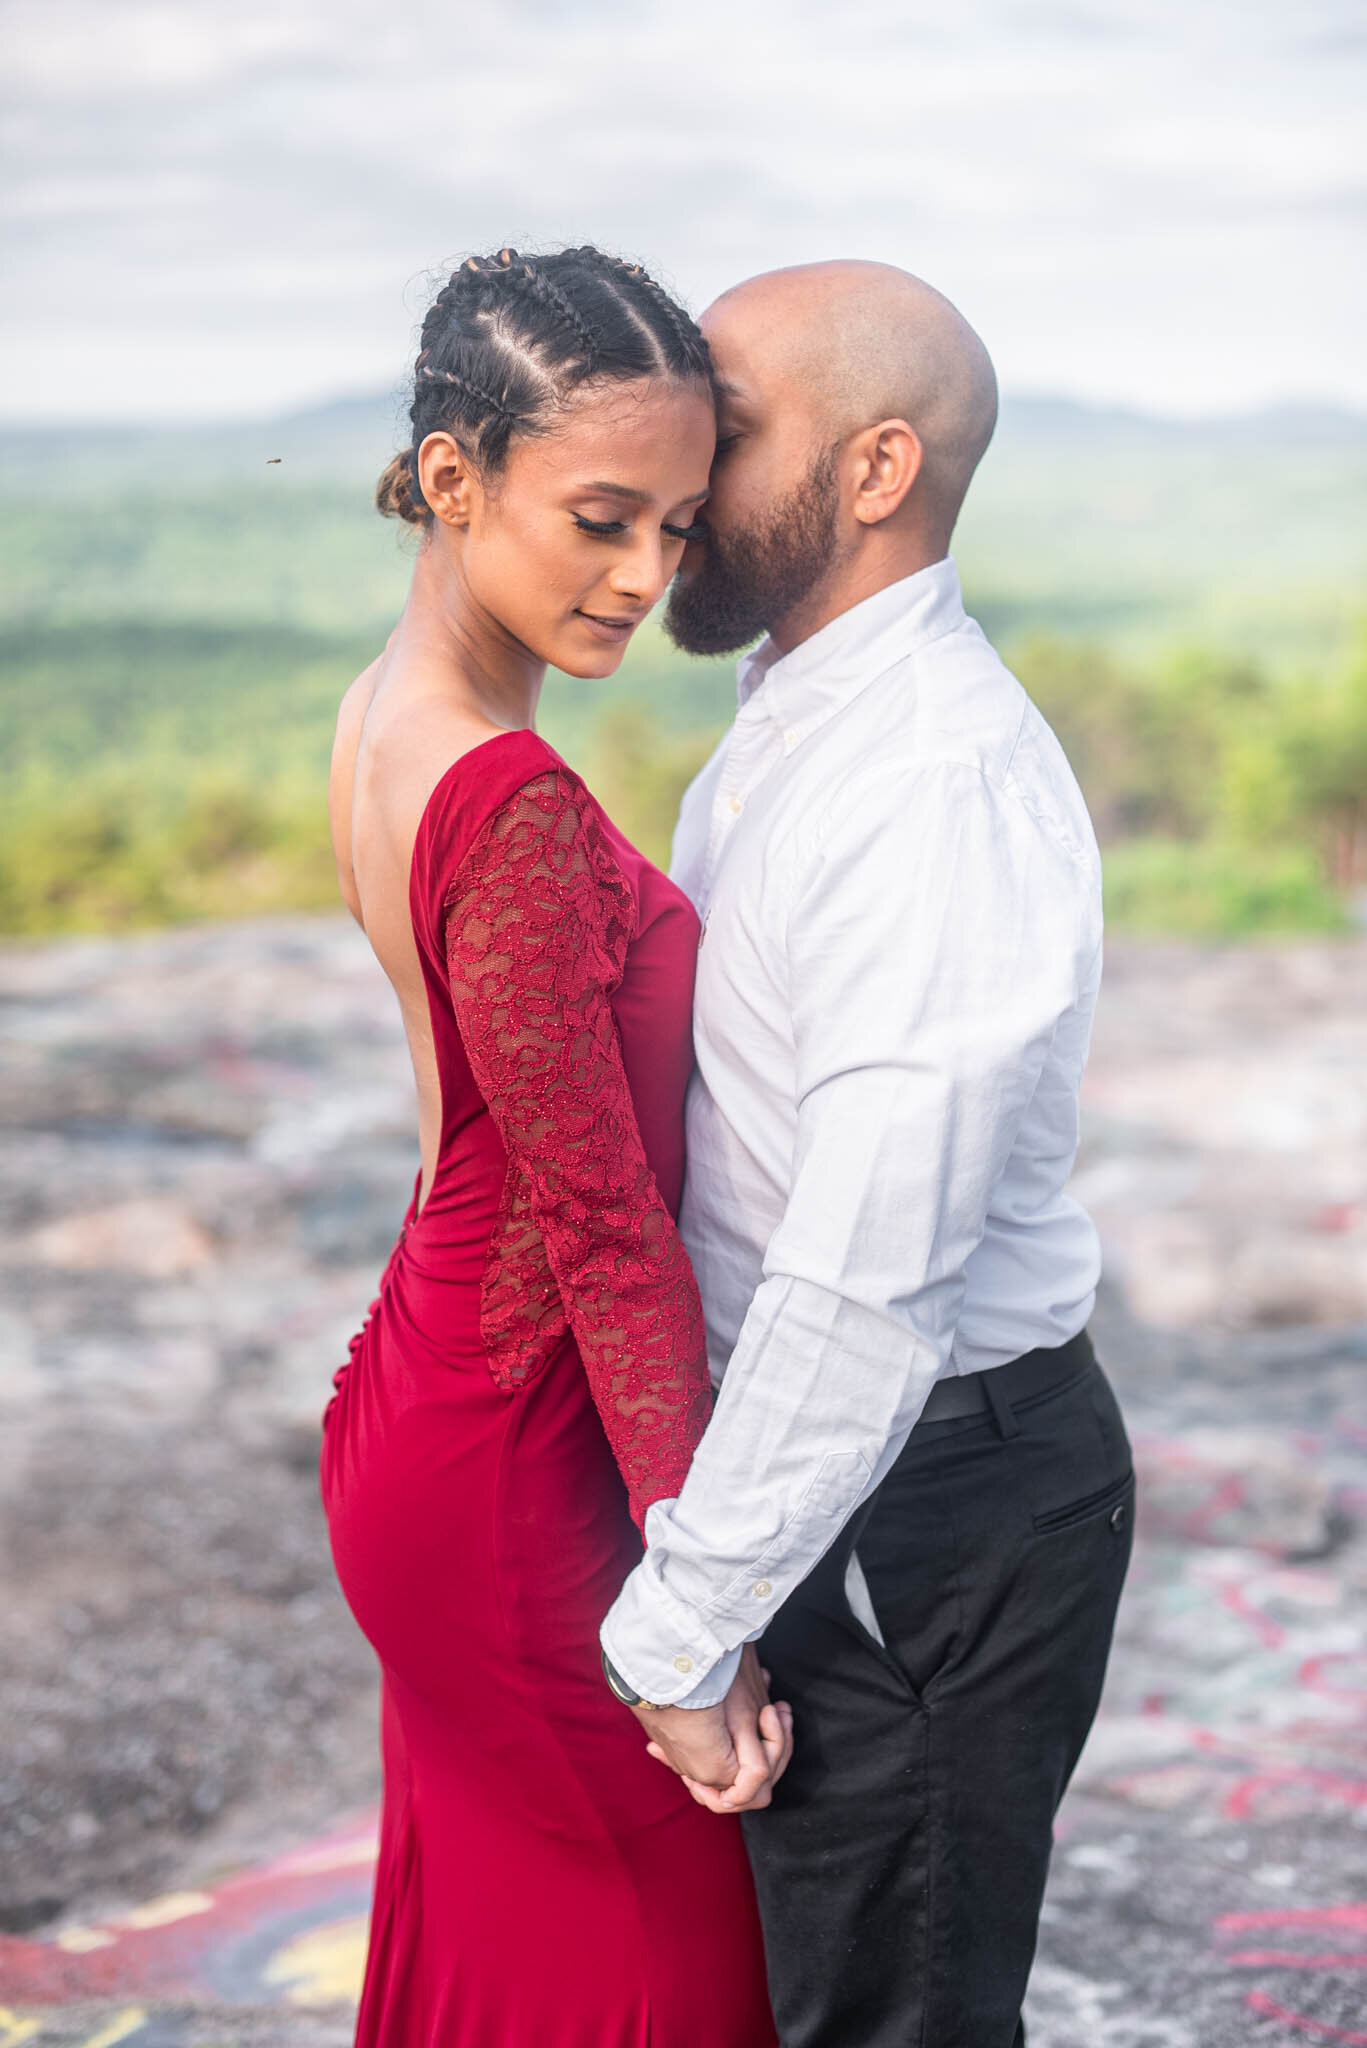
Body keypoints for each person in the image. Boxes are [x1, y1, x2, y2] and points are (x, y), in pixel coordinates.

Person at [600, 261, 1135, 2048]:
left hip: (935, 1504)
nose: (685, 463)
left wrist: (685, 1616)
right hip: (850, 1479)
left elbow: (867, 1276)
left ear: (880, 467)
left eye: (731, 430)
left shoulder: (926, 782)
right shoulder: (801, 710)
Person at [320, 244, 784, 2048]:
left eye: (677, 526)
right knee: (679, 1980)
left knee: (520, 1959)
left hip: (429, 1390)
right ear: (455, 475)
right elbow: (599, 1224)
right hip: (520, 1469)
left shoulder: (389, 719)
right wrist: (699, 1613)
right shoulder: (505, 803)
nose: (648, 577)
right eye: (602, 517)